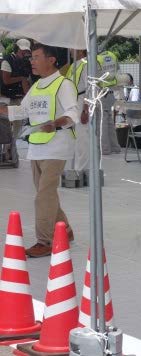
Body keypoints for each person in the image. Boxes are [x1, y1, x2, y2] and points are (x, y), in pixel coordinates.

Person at [0, 43, 80, 257]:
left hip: (57, 146)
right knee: (47, 194)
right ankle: (66, 230)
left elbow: (73, 114)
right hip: (37, 147)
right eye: (31, 58)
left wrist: (55, 123)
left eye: (36, 57)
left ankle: (45, 240)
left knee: (44, 196)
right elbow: (19, 111)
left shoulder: (63, 84)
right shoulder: (37, 86)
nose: (31, 61)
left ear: (51, 59)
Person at [1, 39, 32, 143]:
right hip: (6, 97)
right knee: (6, 124)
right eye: (22, 50)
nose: (24, 53)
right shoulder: (7, 60)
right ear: (17, 49)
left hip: (18, 97)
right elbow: (6, 80)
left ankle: (11, 146)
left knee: (17, 124)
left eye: (26, 51)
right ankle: (6, 147)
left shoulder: (25, 62)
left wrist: (28, 97)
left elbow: (25, 81)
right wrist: (22, 78)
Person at [66, 49, 90, 171]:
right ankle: (75, 168)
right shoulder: (73, 65)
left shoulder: (86, 64)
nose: (70, 50)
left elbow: (89, 88)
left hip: (81, 101)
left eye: (73, 48)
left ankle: (83, 169)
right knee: (74, 138)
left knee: (82, 138)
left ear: (80, 50)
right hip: (73, 103)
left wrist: (85, 109)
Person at [96, 50, 122, 155]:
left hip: (102, 91)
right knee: (109, 121)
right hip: (112, 90)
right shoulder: (113, 55)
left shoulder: (97, 59)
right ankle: (115, 147)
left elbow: (95, 77)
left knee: (102, 122)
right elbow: (118, 71)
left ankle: (105, 149)